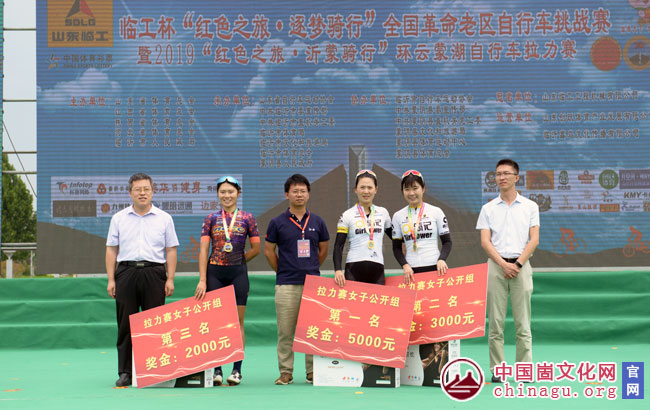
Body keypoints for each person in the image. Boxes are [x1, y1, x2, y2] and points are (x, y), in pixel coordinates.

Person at [106, 173, 179, 387]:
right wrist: (111, 279)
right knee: (125, 324)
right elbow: (111, 249)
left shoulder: (164, 218)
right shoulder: (118, 218)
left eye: (146, 189)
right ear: (130, 193)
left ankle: (154, 370)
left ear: (152, 192)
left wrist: (170, 278)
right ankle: (126, 372)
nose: (142, 193)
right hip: (126, 272)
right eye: (138, 189)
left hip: (154, 272)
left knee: (155, 324)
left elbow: (171, 250)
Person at [476, 159, 539, 383]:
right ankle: (498, 370)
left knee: (523, 324)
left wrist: (518, 264)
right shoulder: (488, 208)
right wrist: (503, 264)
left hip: (522, 266)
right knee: (495, 323)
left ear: (516, 177)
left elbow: (534, 239)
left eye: (506, 173)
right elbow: (485, 241)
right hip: (496, 267)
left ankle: (524, 370)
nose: (501, 177)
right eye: (498, 174)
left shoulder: (530, 206)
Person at [194, 176, 260, 386]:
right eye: (222, 192)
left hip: (238, 274)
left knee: (237, 323)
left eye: (230, 191)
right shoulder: (211, 219)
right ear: (217, 194)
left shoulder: (248, 218)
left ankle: (237, 370)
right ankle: (217, 370)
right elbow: (204, 250)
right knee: (216, 323)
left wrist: (239, 261)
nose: (227, 195)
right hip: (214, 274)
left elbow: (256, 248)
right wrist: (202, 279)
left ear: (238, 193)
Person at [264, 174, 329, 385]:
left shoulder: (318, 221)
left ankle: (312, 371)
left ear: (308, 194)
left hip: (312, 284)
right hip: (286, 284)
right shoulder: (277, 222)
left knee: (312, 330)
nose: (299, 195)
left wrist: (311, 268)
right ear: (287, 194)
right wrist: (283, 270)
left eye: (303, 191)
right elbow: (269, 251)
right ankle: (286, 371)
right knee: (285, 332)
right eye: (295, 191)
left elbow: (323, 250)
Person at [391, 170, 452, 284]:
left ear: (423, 189)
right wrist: (405, 265)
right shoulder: (397, 216)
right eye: (407, 189)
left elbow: (447, 242)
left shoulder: (436, 211)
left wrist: (441, 259)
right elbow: (396, 248)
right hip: (411, 272)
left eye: (415, 188)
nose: (411, 193)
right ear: (402, 191)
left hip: (435, 268)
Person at [333, 169, 392, 287]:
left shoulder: (383, 213)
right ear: (356, 190)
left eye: (370, 187)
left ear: (376, 189)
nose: (366, 191)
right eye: (362, 187)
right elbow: (338, 246)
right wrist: (338, 270)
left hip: (377, 270)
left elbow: (396, 239)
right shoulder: (347, 215)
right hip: (353, 270)